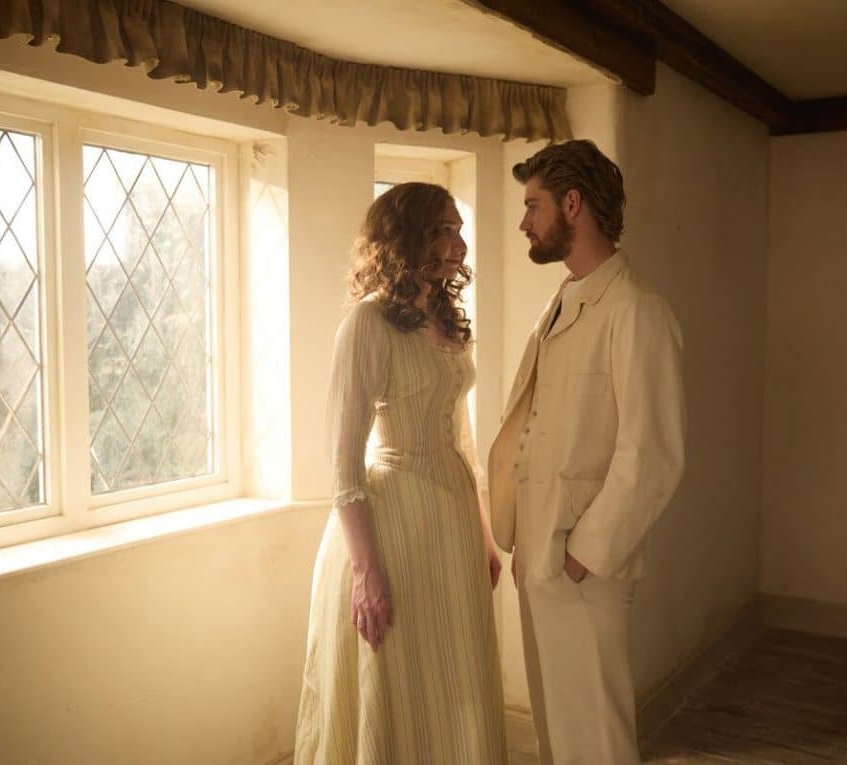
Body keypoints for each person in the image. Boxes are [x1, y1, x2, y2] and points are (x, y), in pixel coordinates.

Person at [294, 183, 507, 764]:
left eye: (458, 229)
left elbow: (462, 435)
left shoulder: (442, 314)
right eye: (442, 228)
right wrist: (366, 572)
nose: (457, 242)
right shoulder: (366, 324)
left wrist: (484, 534)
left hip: (453, 519)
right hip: (395, 526)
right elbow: (342, 461)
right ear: (403, 236)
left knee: (453, 674)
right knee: (399, 680)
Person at [488, 140, 686, 765]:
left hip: (583, 564)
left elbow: (652, 454)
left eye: (533, 205)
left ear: (572, 204)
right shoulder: (563, 300)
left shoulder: (637, 311)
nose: (524, 222)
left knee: (595, 738)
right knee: (556, 732)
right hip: (539, 554)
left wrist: (581, 556)